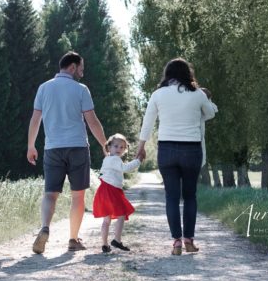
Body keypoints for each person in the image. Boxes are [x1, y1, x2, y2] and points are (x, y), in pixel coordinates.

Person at [27, 51, 107, 254]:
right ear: (72, 67)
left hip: (52, 148)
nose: (82, 72)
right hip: (77, 148)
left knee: (50, 194)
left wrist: (31, 145)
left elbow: (35, 119)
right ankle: (73, 239)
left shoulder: (44, 88)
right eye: (81, 68)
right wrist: (104, 144)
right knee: (77, 196)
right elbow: (92, 121)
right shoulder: (81, 89)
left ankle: (45, 227)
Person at [136, 58, 218, 255]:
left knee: (171, 197)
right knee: (190, 196)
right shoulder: (197, 94)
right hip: (192, 149)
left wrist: (141, 147)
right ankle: (189, 239)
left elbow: (147, 122)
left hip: (167, 149)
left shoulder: (158, 94)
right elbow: (210, 114)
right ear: (187, 74)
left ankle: (176, 242)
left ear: (168, 74)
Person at [93, 133, 141, 253]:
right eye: (116, 146)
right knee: (121, 215)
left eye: (122, 147)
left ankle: (104, 244)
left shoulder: (108, 159)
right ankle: (117, 240)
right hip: (112, 190)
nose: (119, 149)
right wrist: (138, 161)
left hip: (104, 190)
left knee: (106, 220)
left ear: (125, 149)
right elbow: (125, 168)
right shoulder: (114, 159)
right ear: (109, 147)